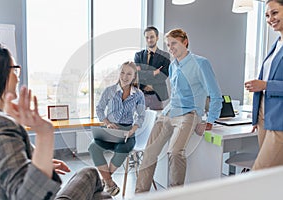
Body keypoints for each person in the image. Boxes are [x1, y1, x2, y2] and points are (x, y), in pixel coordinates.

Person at [0, 40, 111, 200]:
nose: (18, 77)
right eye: (16, 69)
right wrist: (45, 132)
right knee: (90, 174)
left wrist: (41, 161)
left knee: (98, 196)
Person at [135, 28, 223, 193]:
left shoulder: (201, 63)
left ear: (185, 42)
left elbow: (216, 95)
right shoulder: (173, 65)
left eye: (173, 43)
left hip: (189, 114)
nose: (170, 48)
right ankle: (140, 195)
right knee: (149, 153)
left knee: (175, 152)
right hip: (168, 113)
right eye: (168, 45)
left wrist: (210, 121)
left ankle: (175, 195)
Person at [88, 61, 145, 196]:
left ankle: (105, 181)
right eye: (122, 72)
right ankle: (109, 183)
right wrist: (107, 123)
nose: (125, 76)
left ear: (134, 77)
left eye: (129, 74)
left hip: (127, 131)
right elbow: (100, 109)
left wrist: (133, 129)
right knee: (93, 147)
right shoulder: (109, 91)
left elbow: (141, 116)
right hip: (110, 129)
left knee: (122, 149)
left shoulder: (138, 94)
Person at [245, 0, 283, 170]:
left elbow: (266, 84)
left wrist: (265, 84)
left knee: (259, 173)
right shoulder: (276, 45)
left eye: (275, 13)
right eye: (267, 15)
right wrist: (256, 117)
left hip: (280, 118)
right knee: (272, 176)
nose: (270, 19)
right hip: (264, 117)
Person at [134, 26, 171, 110]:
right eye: (147, 37)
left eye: (152, 37)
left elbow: (163, 76)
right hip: (141, 95)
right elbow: (137, 75)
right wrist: (153, 73)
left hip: (157, 96)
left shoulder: (165, 56)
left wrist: (144, 74)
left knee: (156, 122)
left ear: (157, 38)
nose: (149, 40)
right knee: (140, 121)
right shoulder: (138, 55)